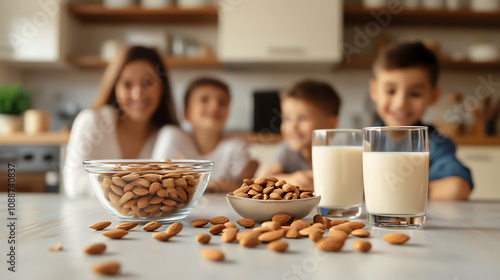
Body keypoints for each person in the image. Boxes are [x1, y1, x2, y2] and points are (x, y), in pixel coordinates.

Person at [63, 46, 190, 198]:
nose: (138, 94)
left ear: (163, 88)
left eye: (148, 83)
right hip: (90, 219)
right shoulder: (92, 121)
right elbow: (74, 185)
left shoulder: (167, 135)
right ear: (115, 88)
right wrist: (133, 185)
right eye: (127, 84)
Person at [369, 41, 473, 200]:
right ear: (374, 90)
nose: (400, 103)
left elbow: (457, 188)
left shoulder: (436, 144)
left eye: (415, 94)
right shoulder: (362, 143)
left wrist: (389, 191)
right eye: (390, 91)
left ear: (433, 96)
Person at [154, 77, 258, 193]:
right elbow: (158, 180)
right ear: (186, 113)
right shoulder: (172, 136)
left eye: (222, 102)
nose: (214, 106)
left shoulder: (236, 146)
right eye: (204, 99)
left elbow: (245, 190)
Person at [257, 80, 341, 189]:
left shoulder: (339, 153)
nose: (293, 126)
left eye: (303, 118)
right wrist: (293, 180)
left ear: (331, 124)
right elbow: (263, 177)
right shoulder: (286, 151)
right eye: (287, 118)